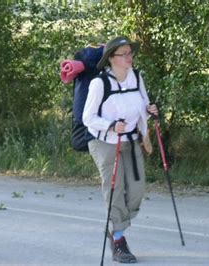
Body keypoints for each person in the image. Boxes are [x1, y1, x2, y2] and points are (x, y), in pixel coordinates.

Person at [83, 36, 158, 263]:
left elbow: (143, 108)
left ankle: (116, 224)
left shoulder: (137, 77)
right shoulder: (100, 83)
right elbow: (88, 118)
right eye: (124, 54)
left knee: (137, 188)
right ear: (111, 59)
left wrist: (150, 110)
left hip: (131, 140)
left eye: (130, 53)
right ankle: (118, 238)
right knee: (115, 189)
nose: (129, 57)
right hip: (105, 143)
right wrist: (111, 125)